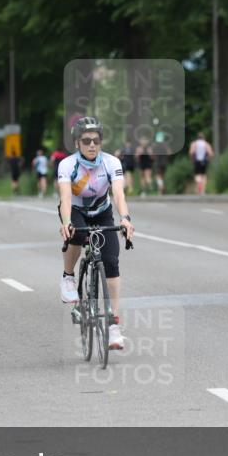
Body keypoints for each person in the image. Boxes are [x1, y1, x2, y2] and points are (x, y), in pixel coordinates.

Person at [57, 116, 135, 350]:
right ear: (77, 143)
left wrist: (125, 219)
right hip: (76, 210)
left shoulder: (111, 163)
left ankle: (113, 326)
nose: (92, 145)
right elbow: (66, 198)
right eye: (86, 140)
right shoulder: (68, 165)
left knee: (111, 261)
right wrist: (67, 222)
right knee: (77, 235)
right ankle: (68, 277)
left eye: (96, 141)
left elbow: (119, 195)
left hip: (102, 211)